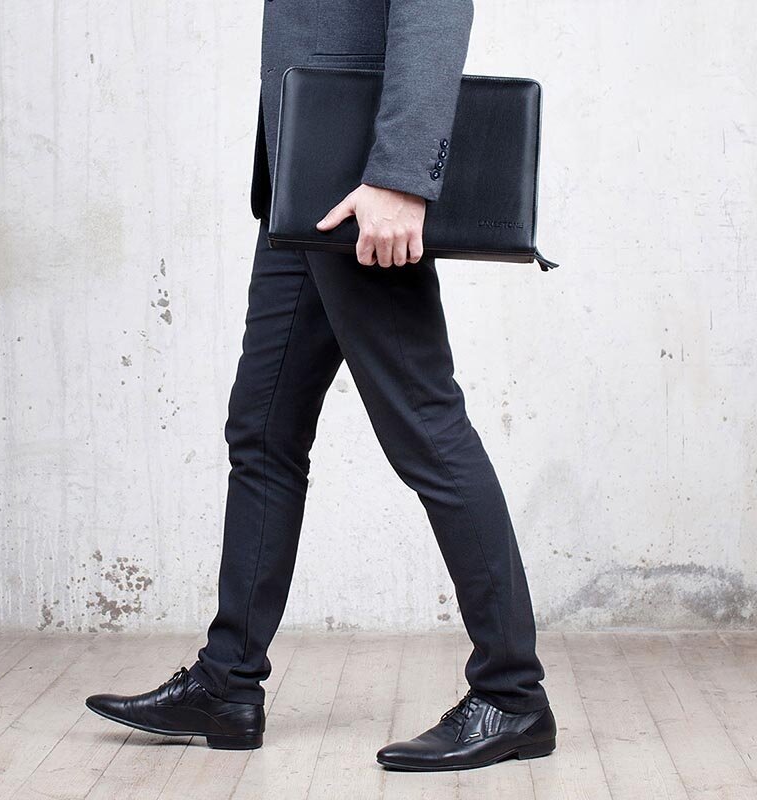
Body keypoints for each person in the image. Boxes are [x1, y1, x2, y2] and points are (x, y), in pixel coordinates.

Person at [85, 0, 557, 772]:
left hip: (358, 181)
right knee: (263, 431)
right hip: (304, 170)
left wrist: (399, 175)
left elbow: (435, 8)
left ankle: (513, 695)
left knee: (424, 425)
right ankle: (227, 683)